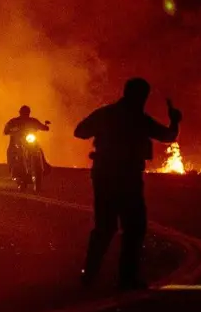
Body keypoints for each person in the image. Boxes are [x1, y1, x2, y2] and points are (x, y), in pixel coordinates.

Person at [74, 77, 182, 290]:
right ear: (141, 96)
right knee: (134, 227)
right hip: (128, 178)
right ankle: (126, 278)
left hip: (104, 176)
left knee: (105, 227)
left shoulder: (107, 113)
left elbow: (80, 131)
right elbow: (168, 136)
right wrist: (175, 120)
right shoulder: (139, 119)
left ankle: (89, 275)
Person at [3, 106, 51, 175]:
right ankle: (12, 167)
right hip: (17, 141)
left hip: (29, 139)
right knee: (11, 150)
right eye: (23, 112)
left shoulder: (33, 121)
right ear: (20, 113)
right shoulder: (14, 121)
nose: (25, 114)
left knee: (38, 149)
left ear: (29, 113)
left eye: (26, 113)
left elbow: (41, 126)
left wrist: (45, 127)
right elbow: (6, 129)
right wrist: (8, 130)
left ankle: (44, 166)